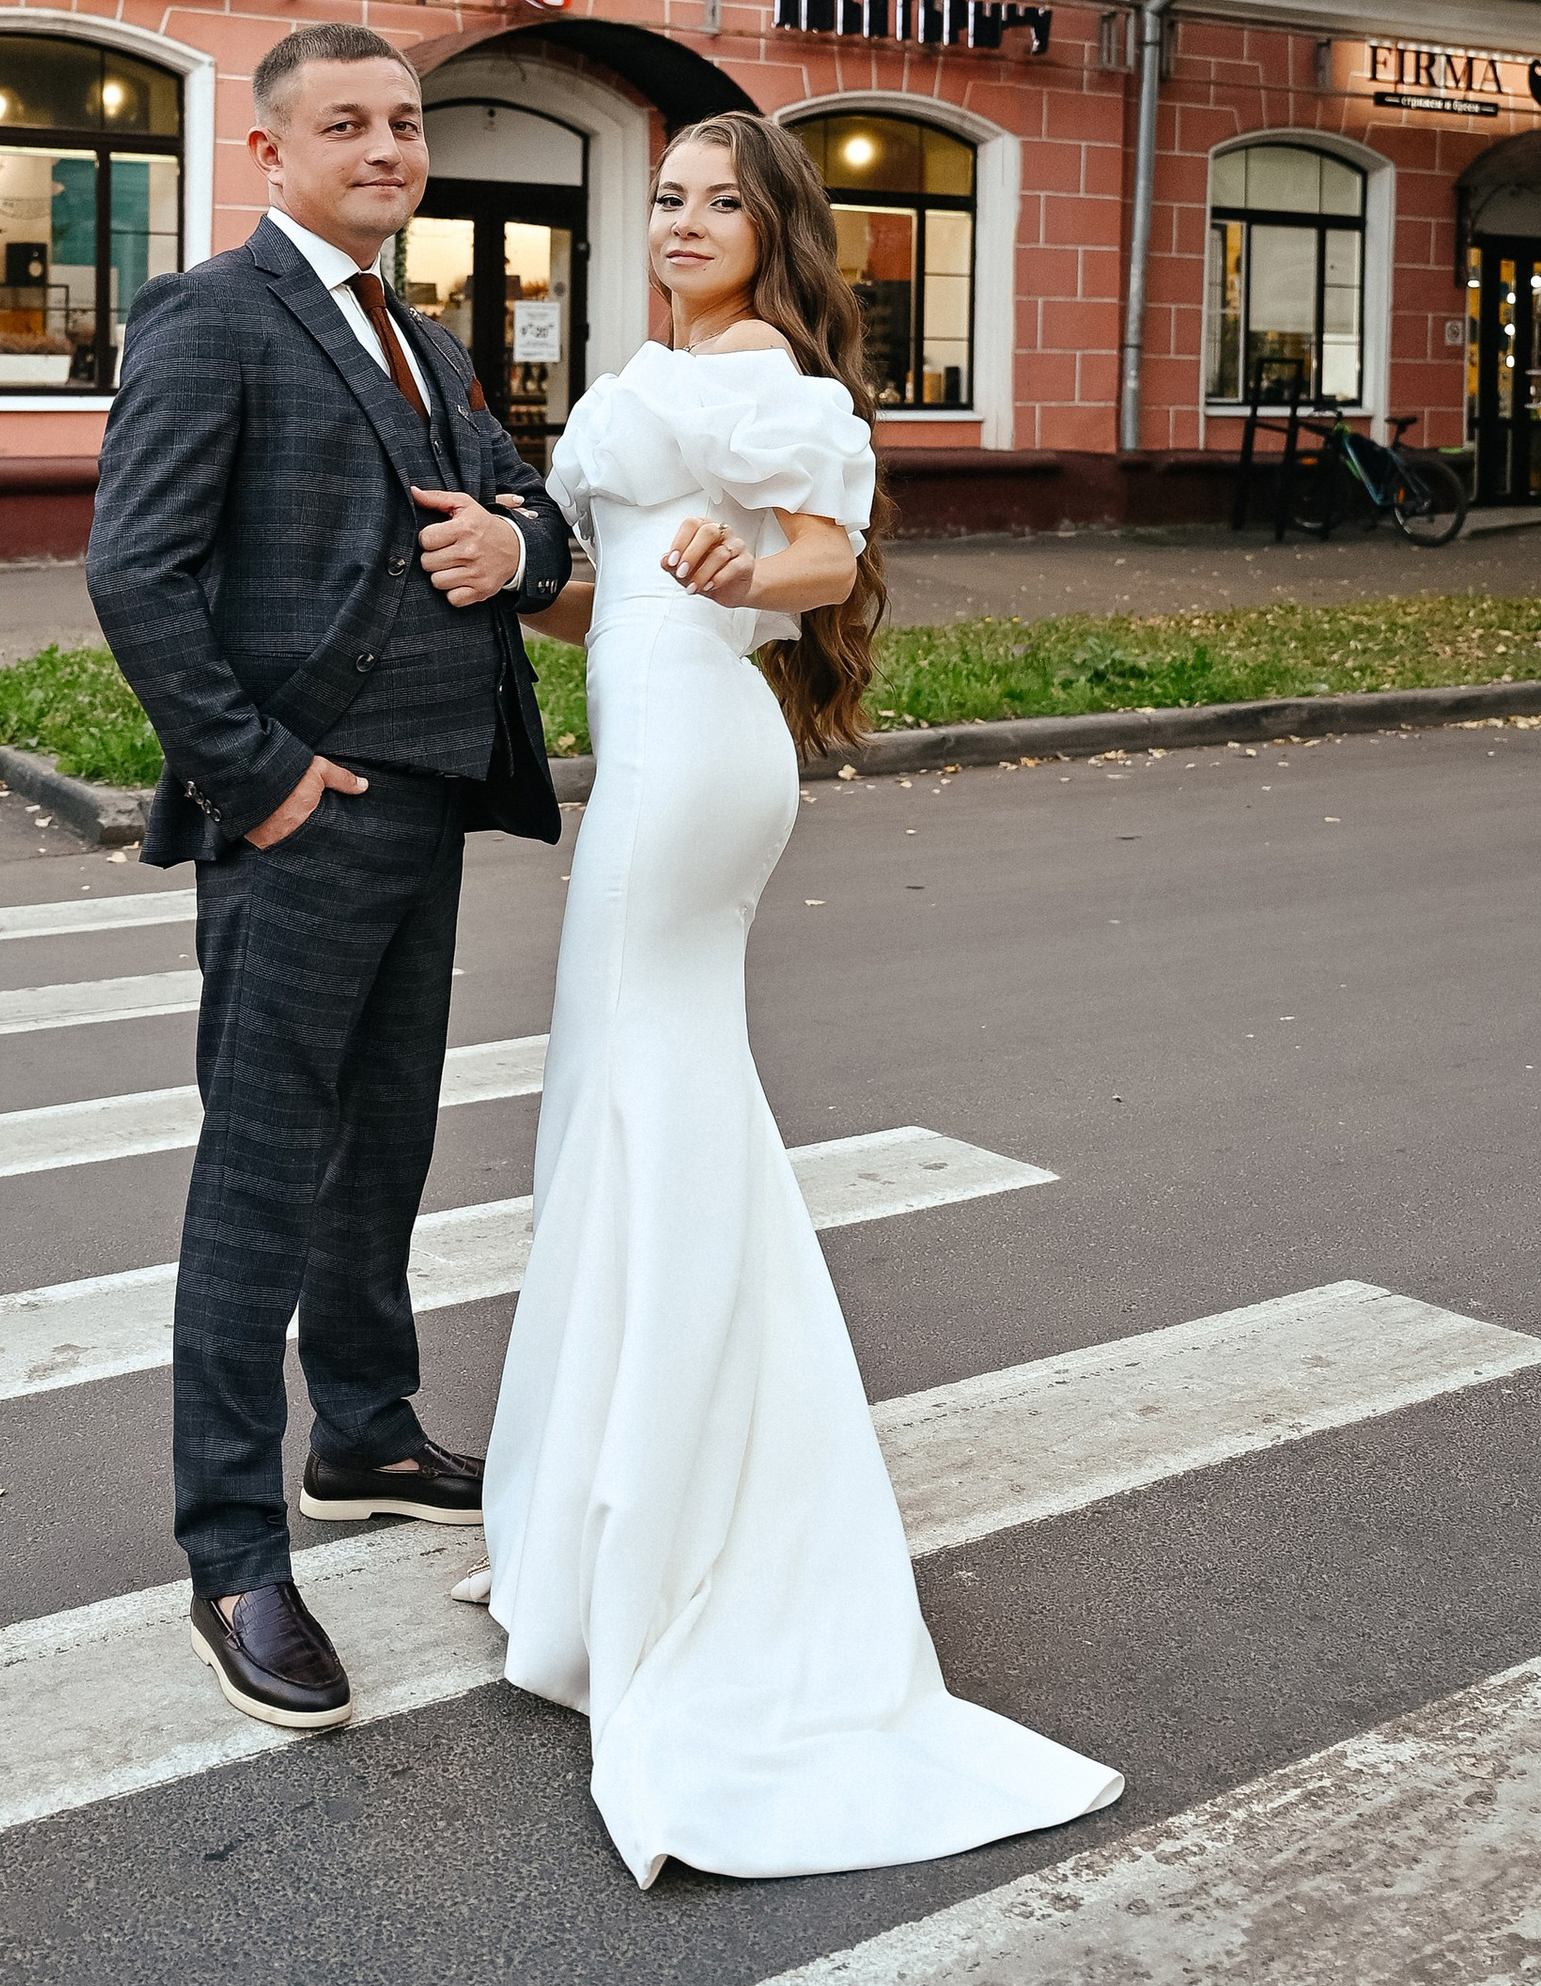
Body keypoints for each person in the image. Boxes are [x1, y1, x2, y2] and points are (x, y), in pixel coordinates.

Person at [469, 113, 1123, 1885]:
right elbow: (615, 600)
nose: (684, 223)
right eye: (667, 198)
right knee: (629, 1099)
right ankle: (609, 1508)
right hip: (654, 728)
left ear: (774, 230)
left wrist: (756, 576)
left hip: (698, 764)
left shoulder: (769, 374)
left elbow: (820, 550)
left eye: (719, 202)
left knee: (652, 1095)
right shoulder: (657, 370)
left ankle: (685, 1532)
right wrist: (517, 587)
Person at [86, 23, 575, 1737]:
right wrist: (264, 778)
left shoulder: (423, 335)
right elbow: (133, 574)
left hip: (427, 806)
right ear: (271, 150)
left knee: (390, 1140)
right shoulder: (214, 316)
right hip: (304, 817)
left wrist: (519, 546)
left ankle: (363, 1430)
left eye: (408, 122)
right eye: (349, 123)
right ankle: (233, 1554)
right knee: (263, 1176)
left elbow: (530, 516)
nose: (389, 147)